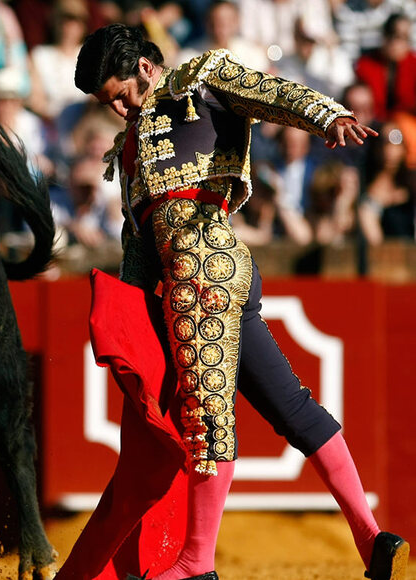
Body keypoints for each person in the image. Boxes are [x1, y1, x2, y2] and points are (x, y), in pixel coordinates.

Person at [58, 23, 408, 580]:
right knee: (291, 408)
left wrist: (327, 116)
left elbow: (271, 93)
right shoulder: (128, 151)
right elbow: (140, 245)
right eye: (110, 105)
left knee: (208, 418)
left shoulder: (200, 81)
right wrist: (131, 311)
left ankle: (196, 564)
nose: (122, 111)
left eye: (122, 95)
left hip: (203, 269)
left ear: (145, 67)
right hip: (196, 278)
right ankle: (371, 538)